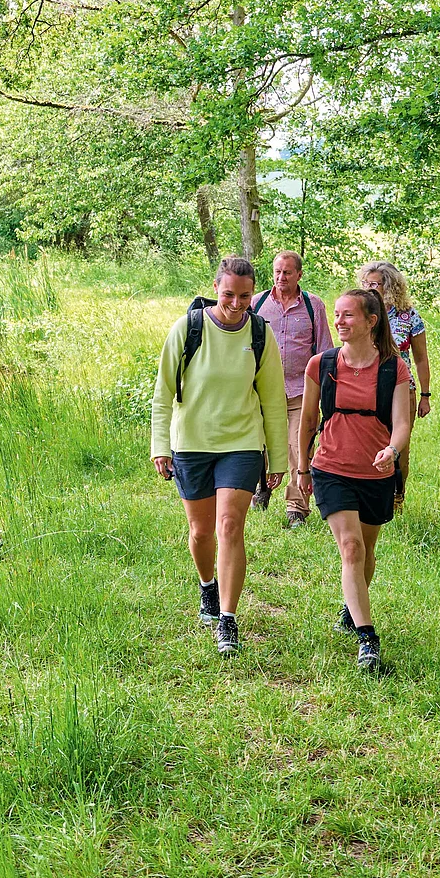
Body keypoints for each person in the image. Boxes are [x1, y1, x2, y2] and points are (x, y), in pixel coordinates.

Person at [150, 256, 291, 657]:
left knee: (230, 525)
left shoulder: (260, 334)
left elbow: (273, 401)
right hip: (192, 442)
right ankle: (207, 587)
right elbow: (163, 394)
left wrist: (276, 458)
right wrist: (160, 446)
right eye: (228, 294)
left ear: (254, 293)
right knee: (201, 532)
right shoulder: (188, 328)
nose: (236, 302)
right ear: (216, 288)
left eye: (245, 295)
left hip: (242, 443)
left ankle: (227, 619)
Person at [298, 287, 415, 672]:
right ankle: (368, 640)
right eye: (336, 314)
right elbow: (309, 422)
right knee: (350, 548)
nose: (339, 321)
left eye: (348, 315)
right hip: (331, 468)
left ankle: (352, 608)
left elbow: (401, 425)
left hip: (376, 472)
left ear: (371, 321)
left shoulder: (393, 368)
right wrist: (302, 467)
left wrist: (392, 452)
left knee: (365, 550)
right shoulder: (322, 364)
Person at [250, 250, 329, 528]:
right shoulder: (257, 303)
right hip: (263, 390)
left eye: (287, 272)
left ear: (299, 275)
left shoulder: (313, 305)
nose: (281, 277)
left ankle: (296, 508)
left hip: (301, 391)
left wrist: (326, 393)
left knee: (299, 447)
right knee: (261, 443)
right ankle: (261, 488)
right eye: (277, 272)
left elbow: (324, 351)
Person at [358, 261, 432, 427]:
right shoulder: (360, 314)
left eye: (374, 284)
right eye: (366, 283)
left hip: (402, 388)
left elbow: (421, 359)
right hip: (366, 389)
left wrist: (425, 396)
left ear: (390, 286)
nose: (368, 288)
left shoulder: (409, 315)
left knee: (400, 449)